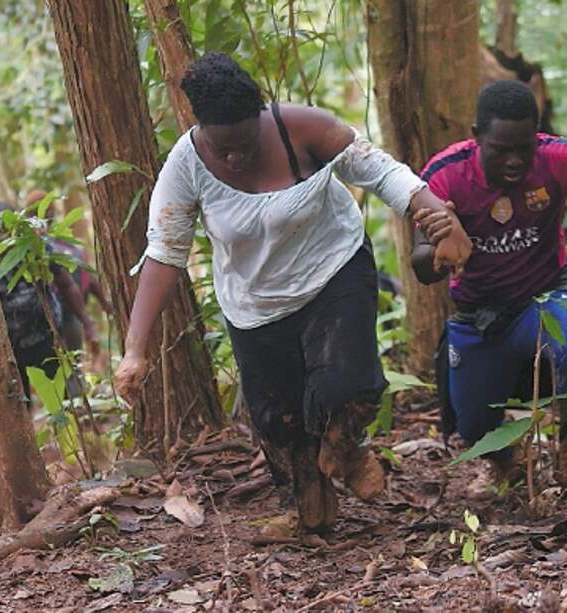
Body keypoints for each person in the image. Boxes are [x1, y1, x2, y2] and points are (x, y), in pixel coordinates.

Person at [114, 52, 471, 532]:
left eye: (245, 143)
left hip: (333, 272)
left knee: (348, 388)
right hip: (256, 306)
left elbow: (382, 172)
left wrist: (434, 215)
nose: (236, 157)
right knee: (279, 424)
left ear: (260, 120)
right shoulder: (186, 165)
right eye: (225, 149)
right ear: (201, 129)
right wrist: (134, 350)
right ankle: (312, 511)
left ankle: (345, 449)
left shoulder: (301, 127)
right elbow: (164, 251)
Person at [412, 80, 567, 499]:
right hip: (479, 314)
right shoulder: (444, 174)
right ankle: (506, 463)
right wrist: (437, 247)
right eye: (500, 149)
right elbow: (421, 267)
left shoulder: (554, 156)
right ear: (476, 137)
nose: (514, 162)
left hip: (546, 296)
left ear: (536, 137)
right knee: (472, 424)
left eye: (523, 149)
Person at [0, 202, 98, 399]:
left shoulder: (37, 247)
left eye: (5, 230)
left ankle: (74, 427)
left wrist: (88, 324)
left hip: (47, 336)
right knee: (19, 403)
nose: (0, 236)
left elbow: (67, 285)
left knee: (64, 395)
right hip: (10, 346)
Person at [25, 189, 112, 357]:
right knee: (69, 367)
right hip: (48, 320)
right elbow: (84, 280)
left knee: (69, 366)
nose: (49, 213)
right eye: (47, 209)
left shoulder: (63, 243)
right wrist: (92, 320)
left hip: (67, 316)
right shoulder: (33, 247)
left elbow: (86, 278)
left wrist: (101, 306)